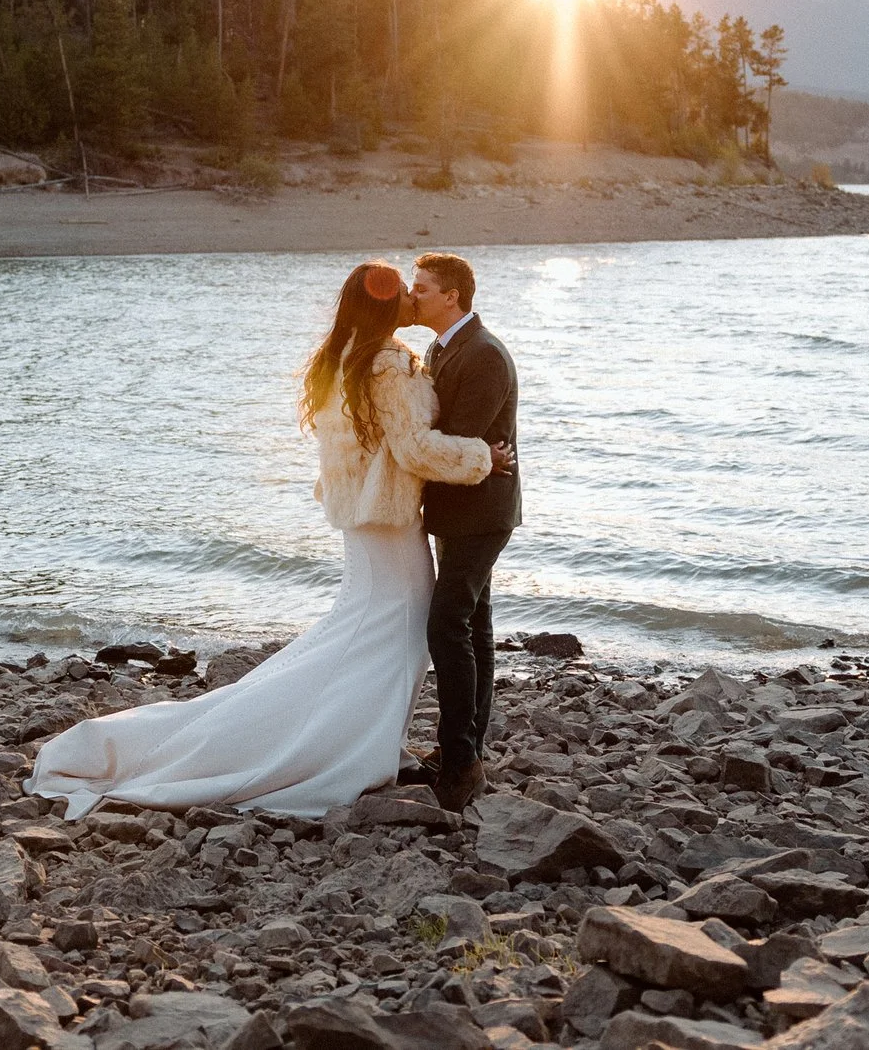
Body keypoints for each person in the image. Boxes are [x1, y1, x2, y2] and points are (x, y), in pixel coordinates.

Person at [26, 261, 509, 819]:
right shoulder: (390, 363)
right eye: (402, 291)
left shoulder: (342, 359)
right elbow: (413, 449)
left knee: (366, 633)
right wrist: (482, 457)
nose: (409, 296)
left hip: (362, 521)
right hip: (390, 522)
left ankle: (366, 741)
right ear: (383, 306)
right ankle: (336, 747)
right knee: (392, 636)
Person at [406, 251, 522, 814]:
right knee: (472, 626)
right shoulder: (440, 347)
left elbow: (457, 439)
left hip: (482, 512)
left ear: (451, 295)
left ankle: (461, 762)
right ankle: (467, 749)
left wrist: (412, 447)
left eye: (422, 287)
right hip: (457, 510)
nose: (413, 295)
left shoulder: (484, 355)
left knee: (446, 623)